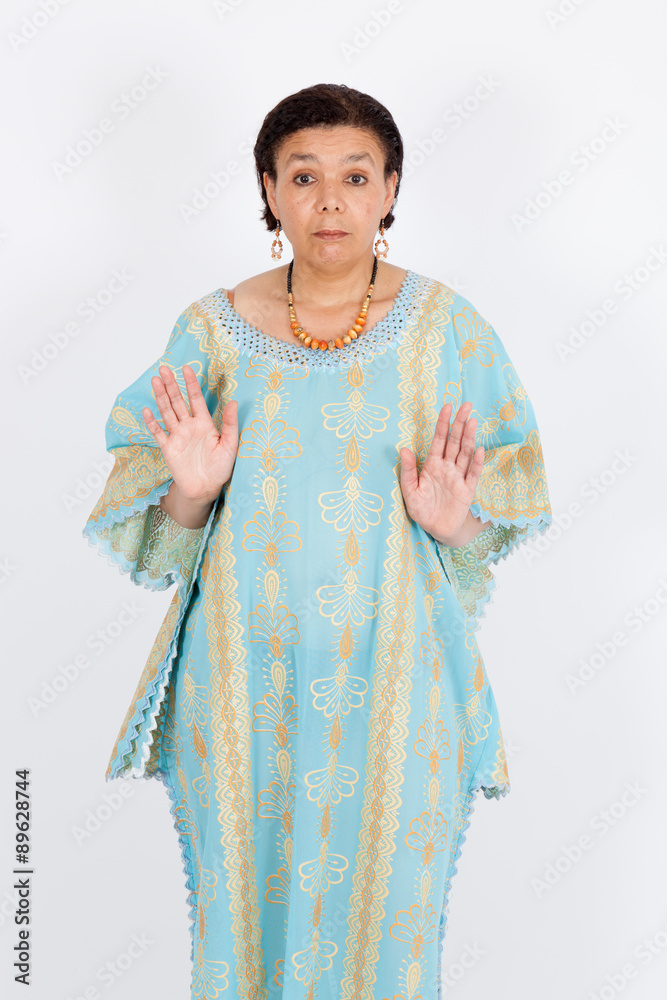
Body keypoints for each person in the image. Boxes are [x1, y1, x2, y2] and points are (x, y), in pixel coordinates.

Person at [83, 83, 552, 1000]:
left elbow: (482, 544)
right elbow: (164, 551)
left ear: (390, 189)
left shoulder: (447, 331)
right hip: (239, 689)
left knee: (388, 934)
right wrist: (192, 488)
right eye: (302, 176)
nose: (329, 200)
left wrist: (449, 519)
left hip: (400, 686)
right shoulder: (211, 330)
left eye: (355, 176)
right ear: (269, 190)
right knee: (243, 932)